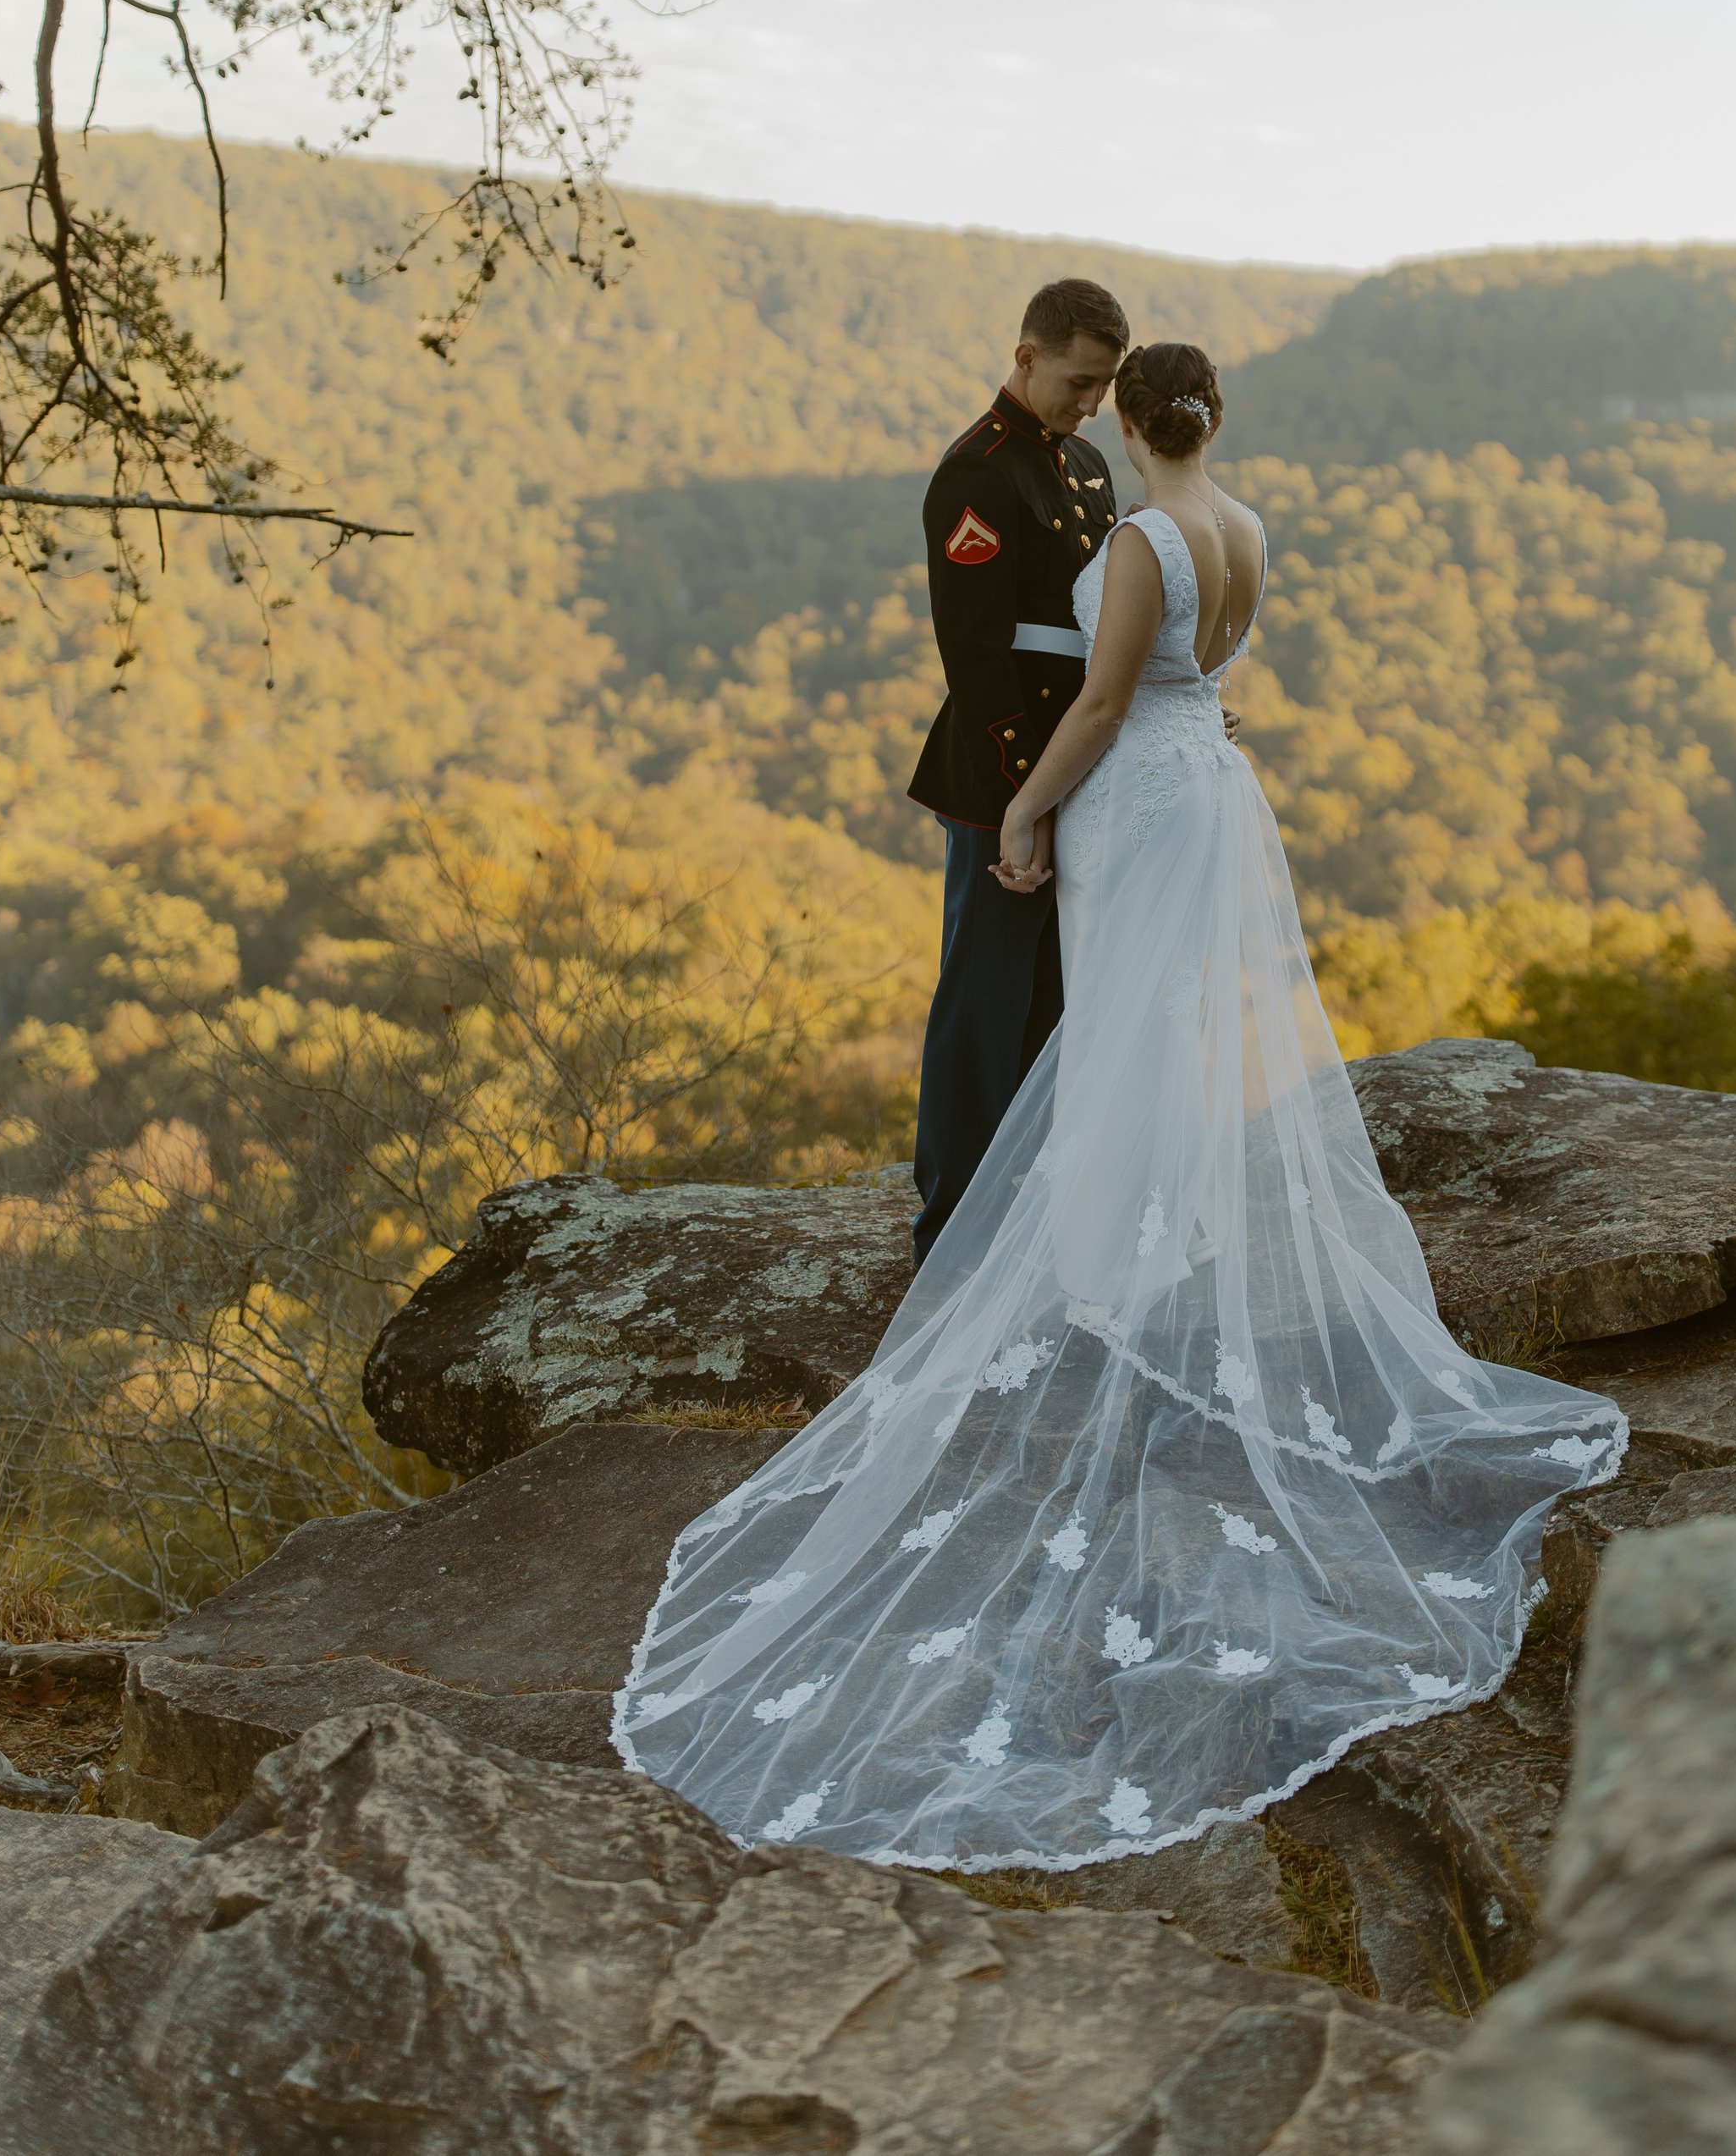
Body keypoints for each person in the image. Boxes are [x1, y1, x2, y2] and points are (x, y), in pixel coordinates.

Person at [613, 343, 1627, 1877]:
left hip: (1136, 799)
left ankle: (1101, 1256)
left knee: (1123, 1028)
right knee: (1166, 1029)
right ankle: (1139, 1239)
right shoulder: (1248, 531)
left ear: (1135, 423)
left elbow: (1095, 705)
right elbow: (1201, 685)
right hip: (1208, 781)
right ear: (1211, 422)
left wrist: (1020, 806)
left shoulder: (1148, 539)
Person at [903, 278, 1126, 1264]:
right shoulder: (976, 475)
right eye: (1078, 382)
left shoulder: (1082, 464)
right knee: (982, 1011)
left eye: (1105, 388)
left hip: (1078, 765)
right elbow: (980, 658)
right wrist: (1020, 802)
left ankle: (1030, 1209)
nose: (1090, 405)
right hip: (1003, 777)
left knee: (1055, 1009)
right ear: (1027, 356)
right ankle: (951, 1228)